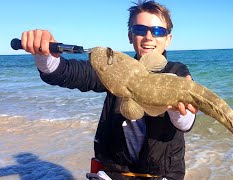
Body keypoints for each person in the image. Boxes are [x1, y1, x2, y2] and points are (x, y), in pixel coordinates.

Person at [21, 1, 197, 179]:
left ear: (168, 39)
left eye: (158, 31)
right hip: (114, 172)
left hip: (161, 174)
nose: (149, 37)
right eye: (140, 30)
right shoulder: (113, 69)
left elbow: (186, 123)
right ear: (130, 35)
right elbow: (64, 72)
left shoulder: (177, 71)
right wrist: (44, 55)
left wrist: (177, 110)